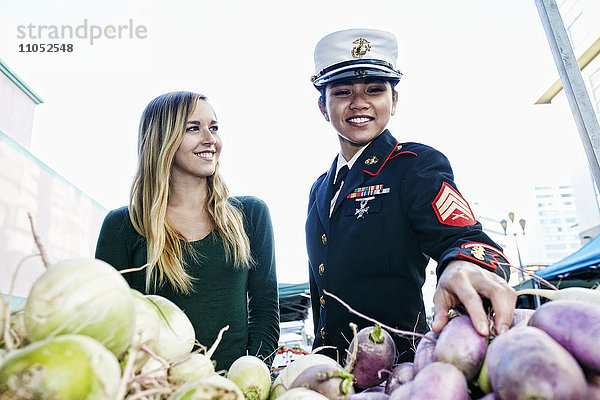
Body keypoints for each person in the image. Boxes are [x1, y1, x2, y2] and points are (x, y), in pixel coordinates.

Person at [305, 28, 517, 363]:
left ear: (395, 100)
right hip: (330, 369)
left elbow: (465, 238)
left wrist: (461, 264)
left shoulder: (414, 166)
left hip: (397, 368)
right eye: (343, 92)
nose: (359, 103)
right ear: (323, 107)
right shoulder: (320, 187)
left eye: (374, 90)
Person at [95, 91, 280, 371]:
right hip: (156, 389)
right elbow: (110, 322)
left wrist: (251, 375)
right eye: (193, 128)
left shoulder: (251, 214)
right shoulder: (123, 226)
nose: (211, 139)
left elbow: (265, 309)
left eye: (214, 127)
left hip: (235, 389)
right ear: (163, 139)